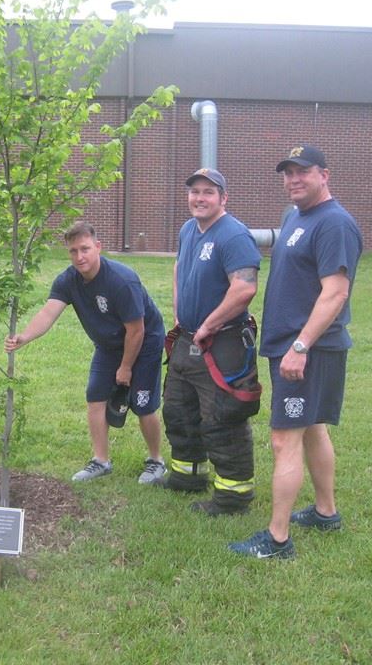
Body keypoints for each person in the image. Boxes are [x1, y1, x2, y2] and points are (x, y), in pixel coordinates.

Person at [230, 145, 362, 559]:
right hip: (291, 345)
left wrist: (300, 346)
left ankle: (277, 539)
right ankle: (325, 512)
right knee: (313, 427)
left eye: (302, 172)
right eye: (288, 173)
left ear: (325, 175)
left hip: (308, 349)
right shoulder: (295, 217)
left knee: (284, 439)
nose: (293, 180)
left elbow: (335, 292)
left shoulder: (335, 223)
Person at [4, 221, 166, 483]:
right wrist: (24, 337)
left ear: (98, 247)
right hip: (108, 344)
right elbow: (48, 313)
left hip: (144, 342)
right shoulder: (68, 280)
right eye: (73, 251)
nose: (79, 257)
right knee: (95, 396)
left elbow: (137, 330)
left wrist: (126, 368)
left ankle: (156, 461)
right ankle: (101, 461)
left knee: (143, 404)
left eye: (85, 249)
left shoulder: (122, 281)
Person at [158, 168, 262, 515]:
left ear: (223, 198)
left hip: (222, 343)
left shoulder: (234, 235)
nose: (199, 198)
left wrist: (208, 325)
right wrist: (179, 313)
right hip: (187, 340)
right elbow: (179, 268)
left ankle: (233, 497)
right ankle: (187, 476)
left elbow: (245, 288)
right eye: (195, 191)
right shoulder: (188, 229)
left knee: (222, 418)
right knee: (179, 411)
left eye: (208, 192)